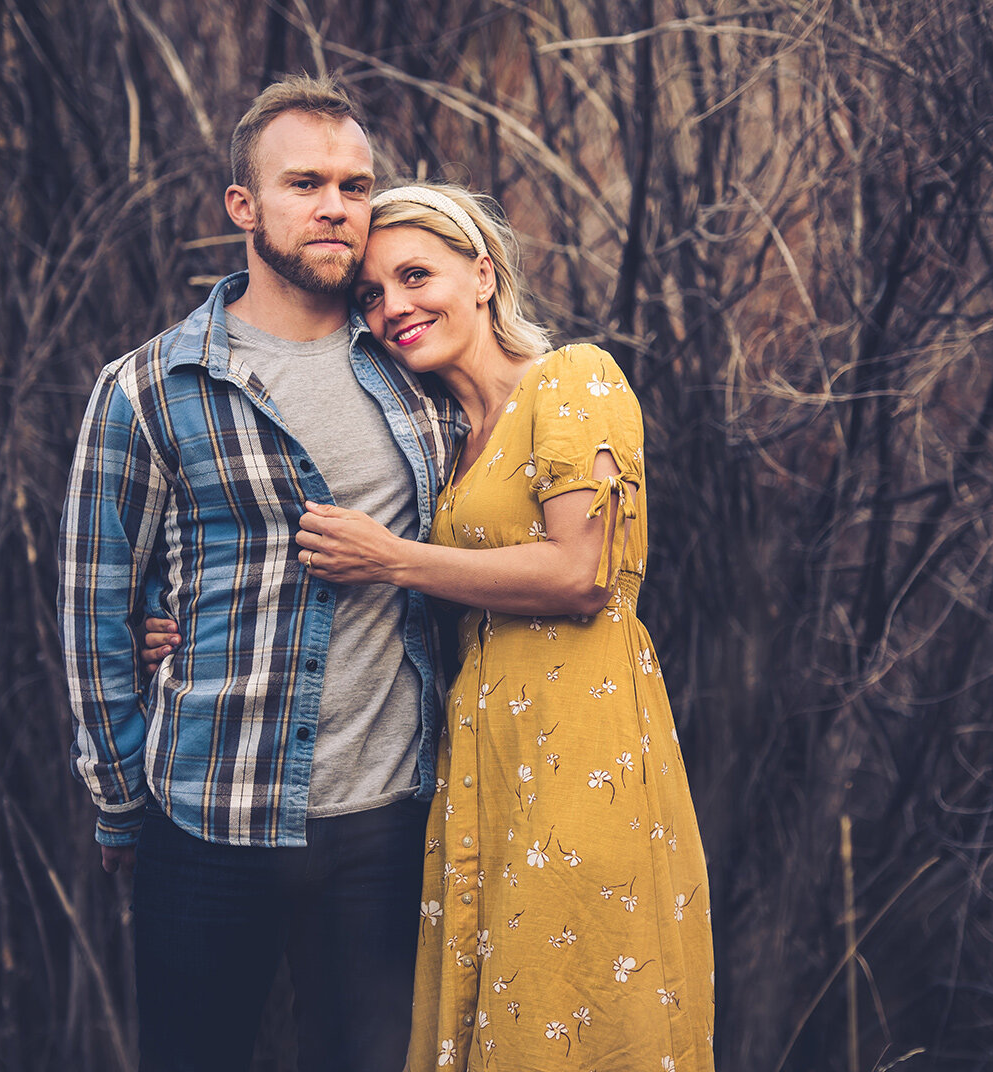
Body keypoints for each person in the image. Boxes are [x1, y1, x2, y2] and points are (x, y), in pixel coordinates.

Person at [149, 183, 716, 1070]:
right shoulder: (446, 432)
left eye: (416, 276)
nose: (392, 309)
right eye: (371, 295)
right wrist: (189, 629)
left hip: (583, 750)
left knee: (571, 1012)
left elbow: (579, 575)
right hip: (480, 759)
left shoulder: (573, 378)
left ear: (483, 275)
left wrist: (393, 559)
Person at [56, 78, 465, 1072]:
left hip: (386, 818)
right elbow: (95, 603)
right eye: (305, 183)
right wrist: (118, 795)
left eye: (356, 185)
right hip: (209, 819)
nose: (335, 206)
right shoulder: (151, 385)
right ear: (243, 207)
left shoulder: (419, 369)